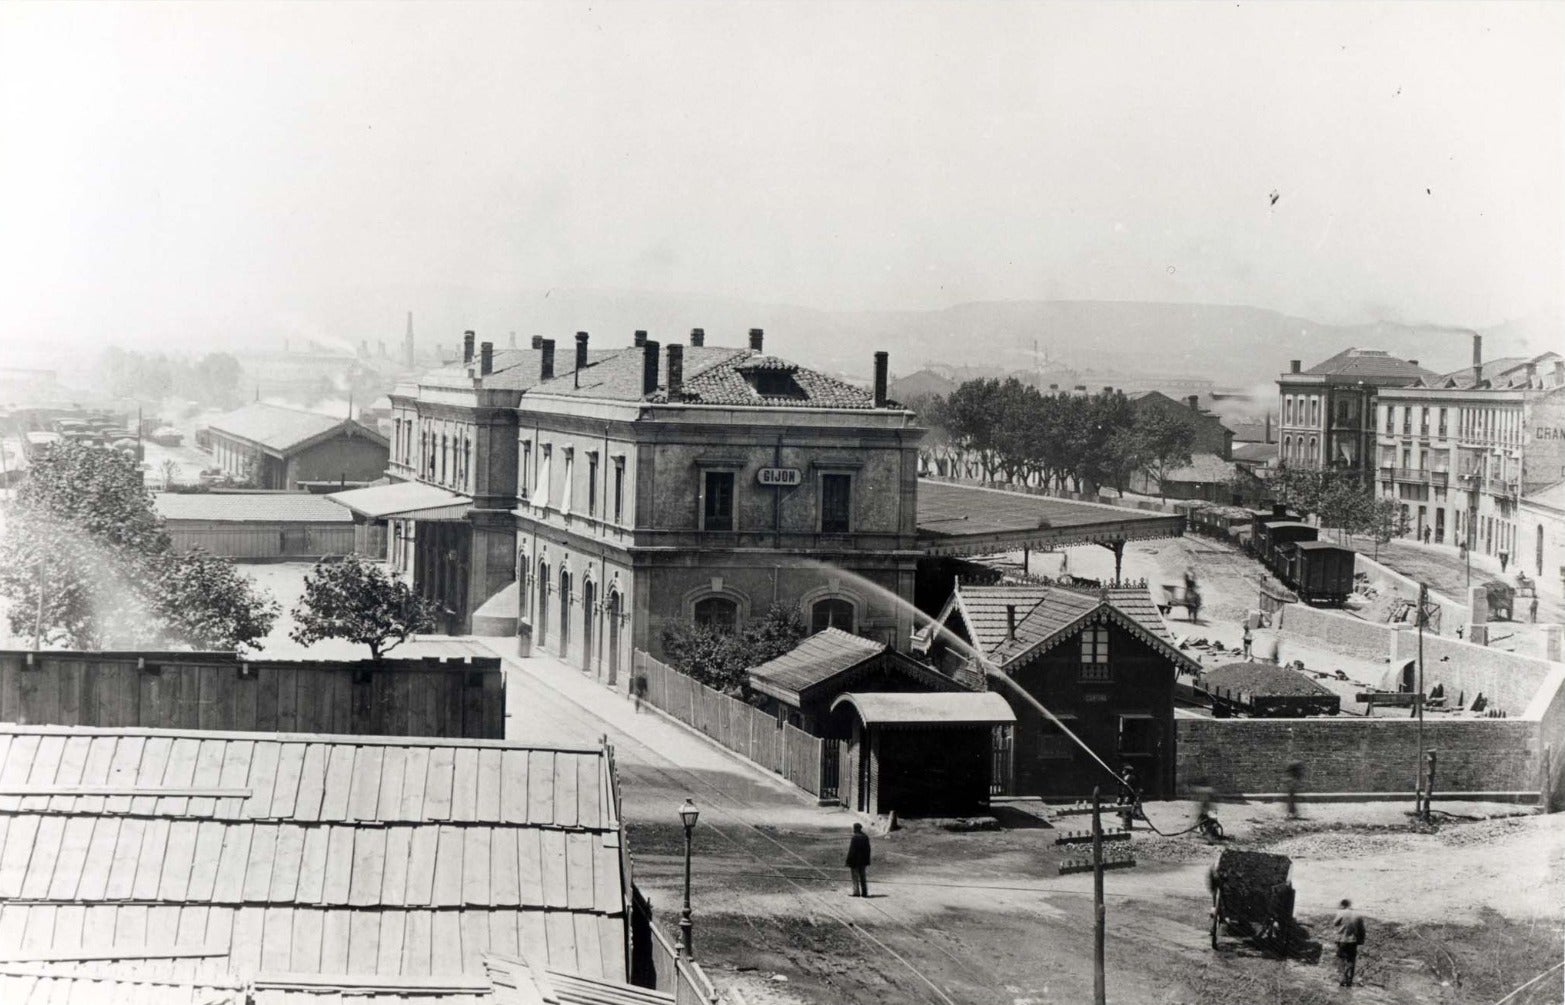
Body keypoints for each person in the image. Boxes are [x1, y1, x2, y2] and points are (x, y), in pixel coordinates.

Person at [1333, 898, 1367, 987]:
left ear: (1343, 905)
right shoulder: (1358, 915)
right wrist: (1361, 941)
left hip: (1342, 940)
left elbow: (1335, 923)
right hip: (1353, 941)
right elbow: (1362, 930)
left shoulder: (1341, 912)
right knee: (1351, 960)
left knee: (1341, 959)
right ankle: (1349, 981)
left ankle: (1341, 979)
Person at [845, 823, 872, 897]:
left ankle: (856, 892)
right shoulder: (865, 837)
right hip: (863, 861)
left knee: (855, 876)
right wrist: (867, 860)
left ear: (856, 829)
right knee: (863, 876)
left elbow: (852, 850)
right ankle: (864, 892)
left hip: (855, 860)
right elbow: (868, 849)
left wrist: (848, 861)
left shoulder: (854, 838)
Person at [1118, 766, 1139, 831]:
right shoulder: (1124, 778)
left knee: (1128, 810)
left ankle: (1128, 825)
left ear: (1127, 771)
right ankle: (1124, 824)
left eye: (1124, 770)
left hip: (1129, 796)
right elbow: (1122, 788)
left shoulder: (1132, 778)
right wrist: (1120, 796)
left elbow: (1133, 788)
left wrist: (1129, 796)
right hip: (1124, 795)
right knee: (1124, 810)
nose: (1123, 771)